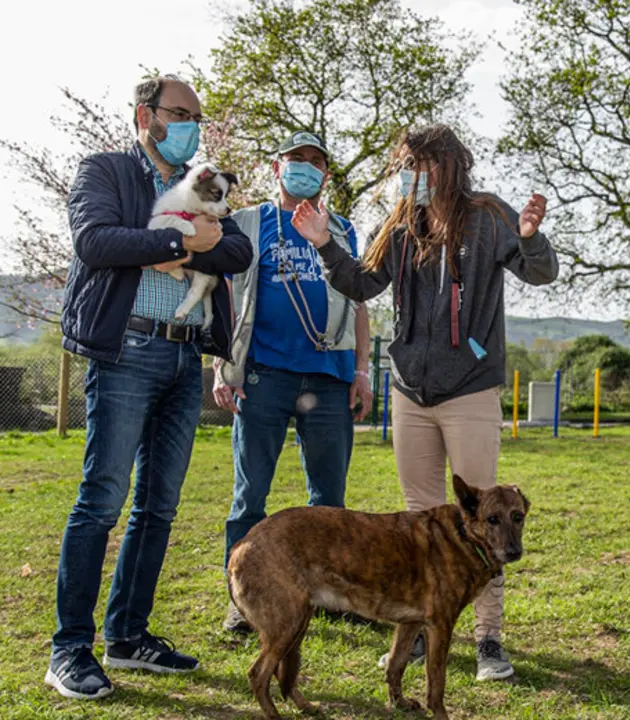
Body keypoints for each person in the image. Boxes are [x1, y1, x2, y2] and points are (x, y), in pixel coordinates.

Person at [295, 124, 558, 681]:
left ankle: (489, 640)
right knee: (419, 523)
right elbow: (362, 284)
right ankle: (413, 634)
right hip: (411, 392)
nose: (407, 176)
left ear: (445, 166)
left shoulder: (489, 216)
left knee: (484, 520)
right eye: (403, 166)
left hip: (470, 390)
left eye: (418, 165)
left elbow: (541, 272)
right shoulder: (400, 224)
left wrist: (531, 235)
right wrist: (324, 243)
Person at [49, 74, 253, 700]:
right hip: (126, 351)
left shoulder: (204, 183)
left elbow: (238, 251)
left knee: (159, 507)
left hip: (185, 356)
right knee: (102, 501)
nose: (192, 123)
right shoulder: (106, 171)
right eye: (181, 112)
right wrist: (183, 239)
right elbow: (96, 241)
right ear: (147, 115)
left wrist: (185, 251)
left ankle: (129, 636)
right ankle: (70, 650)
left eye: (197, 114)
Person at [213, 131, 375, 632]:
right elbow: (222, 296)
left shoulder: (343, 229)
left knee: (329, 497)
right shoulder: (247, 223)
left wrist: (363, 370)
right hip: (264, 374)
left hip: (329, 376)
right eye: (296, 159)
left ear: (326, 175)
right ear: (277, 167)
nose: (305, 167)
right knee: (250, 494)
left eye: (315, 162)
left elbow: (360, 303)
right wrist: (224, 366)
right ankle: (243, 600)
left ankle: (328, 594)